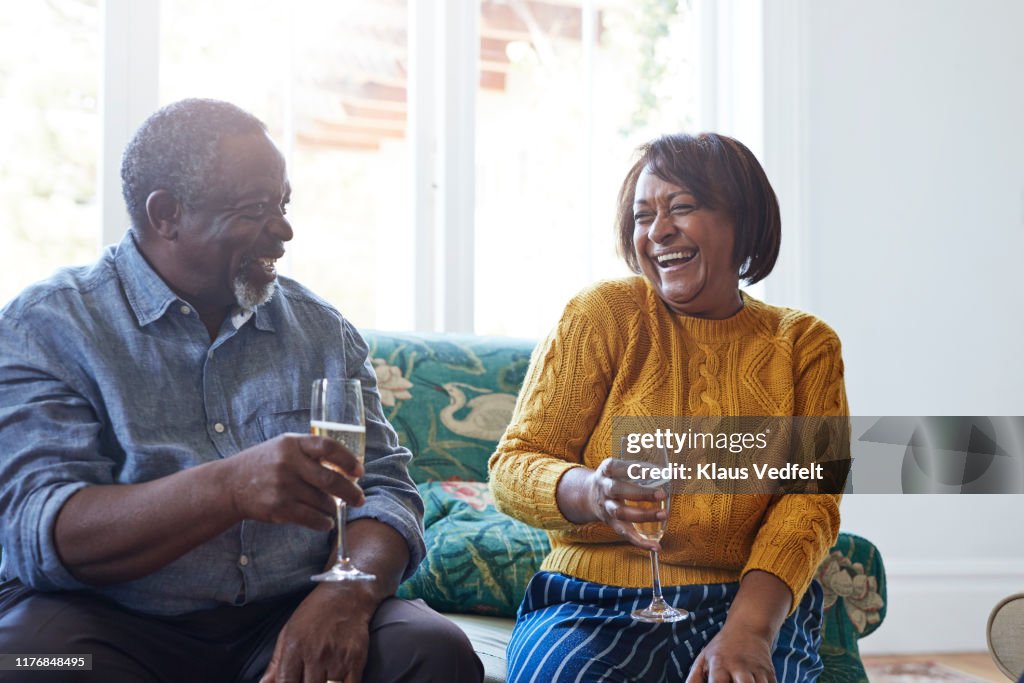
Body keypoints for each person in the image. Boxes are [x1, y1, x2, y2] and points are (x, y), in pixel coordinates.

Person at [0, 98, 482, 683]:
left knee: (433, 651)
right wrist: (230, 487)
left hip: (287, 611)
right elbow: (38, 531)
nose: (284, 230)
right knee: (28, 664)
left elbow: (384, 493)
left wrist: (343, 594)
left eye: (283, 204)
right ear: (166, 214)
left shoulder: (321, 330)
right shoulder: (49, 326)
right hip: (105, 619)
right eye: (256, 209)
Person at [489, 132, 848, 682]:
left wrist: (749, 631)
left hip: (744, 606)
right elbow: (514, 465)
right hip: (592, 602)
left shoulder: (804, 345)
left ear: (743, 222)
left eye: (682, 207)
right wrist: (593, 492)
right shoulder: (603, 314)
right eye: (642, 215)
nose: (657, 231)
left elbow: (810, 506)